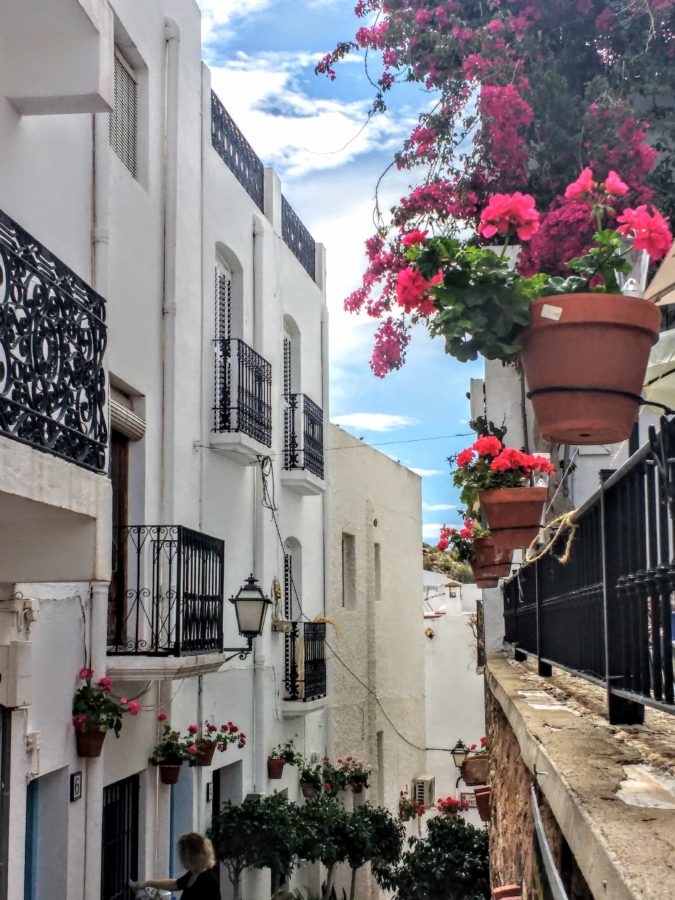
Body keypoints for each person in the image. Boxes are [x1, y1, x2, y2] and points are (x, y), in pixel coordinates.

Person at [133, 832, 221, 899]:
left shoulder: (208, 880)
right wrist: (148, 883)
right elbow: (175, 884)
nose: (181, 858)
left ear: (192, 856)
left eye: (182, 854)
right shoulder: (194, 873)